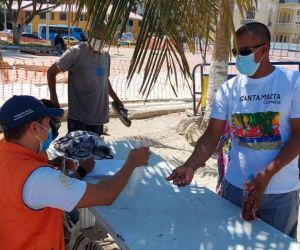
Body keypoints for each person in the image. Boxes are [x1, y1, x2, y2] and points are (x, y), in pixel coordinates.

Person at [166, 22, 300, 239]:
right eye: (236, 51)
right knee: (229, 244)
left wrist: (268, 174)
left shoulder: (292, 83)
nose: (239, 57)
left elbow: (299, 134)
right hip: (236, 190)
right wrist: (190, 165)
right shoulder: (229, 90)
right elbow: (211, 136)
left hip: (280, 194)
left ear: (265, 49)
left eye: (245, 51)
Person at [0, 95, 150, 249]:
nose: (50, 130)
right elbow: (107, 195)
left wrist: (50, 163)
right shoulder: (38, 178)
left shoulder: (5, 148)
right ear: (34, 128)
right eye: (47, 124)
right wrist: (132, 162)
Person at [47, 22, 124, 136]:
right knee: (77, 151)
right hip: (78, 119)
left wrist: (116, 99)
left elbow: (104, 81)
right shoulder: (76, 52)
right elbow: (51, 72)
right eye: (97, 37)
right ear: (89, 34)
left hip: (98, 119)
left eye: (103, 39)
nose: (99, 41)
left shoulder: (105, 56)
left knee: (94, 151)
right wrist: (54, 98)